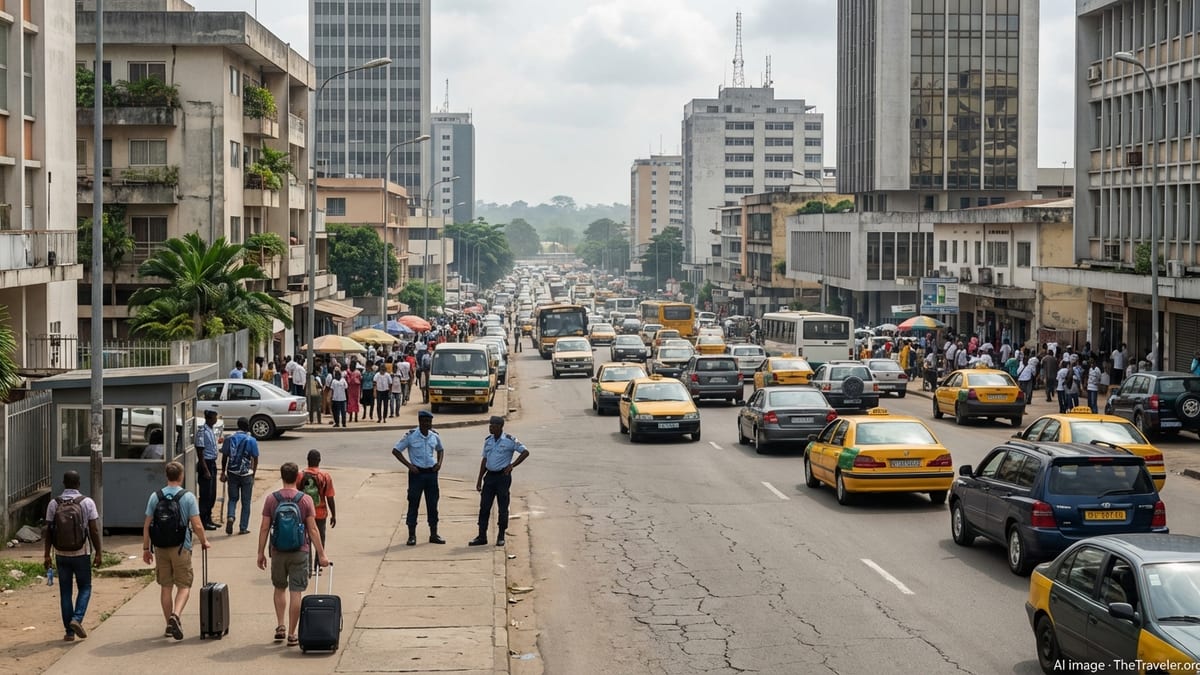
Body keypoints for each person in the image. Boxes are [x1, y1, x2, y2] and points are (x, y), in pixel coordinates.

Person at [257, 462, 329, 648]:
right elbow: (313, 529)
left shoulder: (271, 499)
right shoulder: (305, 500)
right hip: (300, 550)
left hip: (278, 551)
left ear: (282, 476)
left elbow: (265, 527)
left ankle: (280, 625)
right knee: (296, 591)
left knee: (279, 588)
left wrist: (260, 552)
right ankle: (291, 633)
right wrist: (321, 554)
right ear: (297, 477)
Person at [142, 461, 209, 641]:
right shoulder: (188, 497)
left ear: (166, 476)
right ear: (181, 476)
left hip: (160, 547)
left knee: (166, 586)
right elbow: (197, 525)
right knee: (184, 585)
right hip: (181, 547)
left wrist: (145, 549)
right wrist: (204, 541)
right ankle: (176, 615)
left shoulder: (155, 497)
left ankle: (168, 625)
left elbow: (147, 525)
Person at [43, 470, 101, 642]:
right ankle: (77, 618)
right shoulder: (87, 502)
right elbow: (94, 529)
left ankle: (69, 632)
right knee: (85, 587)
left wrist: (47, 554)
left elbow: (48, 531)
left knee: (65, 592)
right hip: (81, 552)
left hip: (61, 553)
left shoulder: (54, 503)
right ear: (78, 484)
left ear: (64, 483)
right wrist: (98, 552)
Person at [469, 416, 530, 547]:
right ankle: (481, 536)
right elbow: (485, 460)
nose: (490, 427)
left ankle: (501, 535)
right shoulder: (488, 441)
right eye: (490, 425)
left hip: (503, 477)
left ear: (500, 427)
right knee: (484, 507)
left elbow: (525, 452)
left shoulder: (509, 440)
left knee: (503, 507)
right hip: (489, 477)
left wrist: (512, 465)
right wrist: (479, 479)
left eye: (493, 425)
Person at [392, 410, 446, 546]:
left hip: (431, 474)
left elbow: (440, 449)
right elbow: (396, 451)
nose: (428, 424)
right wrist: (409, 465)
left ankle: (433, 534)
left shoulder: (434, 436)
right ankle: (411, 535)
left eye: (430, 422)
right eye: (425, 421)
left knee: (433, 505)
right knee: (413, 504)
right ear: (420, 421)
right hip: (417, 474)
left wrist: (439, 463)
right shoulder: (411, 436)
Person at [220, 417, 260, 535]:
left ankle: (231, 516)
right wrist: (254, 473)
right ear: (247, 426)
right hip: (246, 473)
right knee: (246, 502)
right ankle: (243, 527)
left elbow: (224, 456)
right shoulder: (251, 440)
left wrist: (223, 471)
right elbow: (255, 458)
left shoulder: (229, 438)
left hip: (232, 473)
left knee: (232, 499)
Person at [301, 450, 337, 548]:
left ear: (307, 460)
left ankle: (307, 562)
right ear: (319, 460)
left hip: (305, 514)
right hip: (320, 513)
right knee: (320, 542)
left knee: (305, 542)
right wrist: (333, 515)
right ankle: (319, 560)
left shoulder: (300, 476)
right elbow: (330, 497)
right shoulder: (325, 476)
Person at [194, 410, 220, 530]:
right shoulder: (202, 431)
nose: (216, 419)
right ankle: (203, 520)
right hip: (206, 464)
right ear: (210, 418)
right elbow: (200, 452)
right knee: (205, 495)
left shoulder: (210, 430)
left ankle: (209, 518)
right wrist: (205, 470)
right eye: (215, 417)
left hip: (212, 463)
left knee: (212, 494)